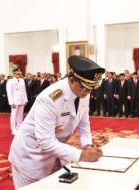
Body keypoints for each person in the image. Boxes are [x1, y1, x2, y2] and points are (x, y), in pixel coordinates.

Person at [9, 56, 105, 189]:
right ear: (71, 80)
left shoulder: (84, 93)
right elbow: (45, 141)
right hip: (31, 155)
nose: (88, 92)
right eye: (85, 88)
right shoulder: (49, 98)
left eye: (91, 88)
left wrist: (87, 144)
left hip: (54, 153)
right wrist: (80, 154)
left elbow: (84, 122)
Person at [6, 68, 28, 135]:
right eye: (17, 73)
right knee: (14, 115)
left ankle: (19, 127)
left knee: (20, 115)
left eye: (20, 73)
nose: (19, 75)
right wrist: (11, 102)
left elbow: (24, 91)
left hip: (21, 100)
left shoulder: (22, 80)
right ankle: (13, 129)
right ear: (14, 74)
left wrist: (25, 100)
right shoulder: (10, 81)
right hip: (14, 101)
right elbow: (9, 92)